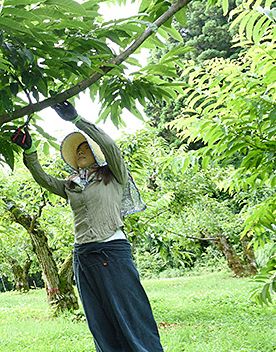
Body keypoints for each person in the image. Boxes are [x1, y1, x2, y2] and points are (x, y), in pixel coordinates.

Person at [9, 101, 163, 352]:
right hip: (83, 255)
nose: (80, 151)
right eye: (77, 149)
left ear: (95, 151)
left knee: (130, 313)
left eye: (85, 147)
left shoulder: (114, 175)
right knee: (99, 320)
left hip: (111, 251)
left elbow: (110, 146)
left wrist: (77, 119)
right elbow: (43, 179)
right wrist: (30, 151)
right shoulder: (71, 185)